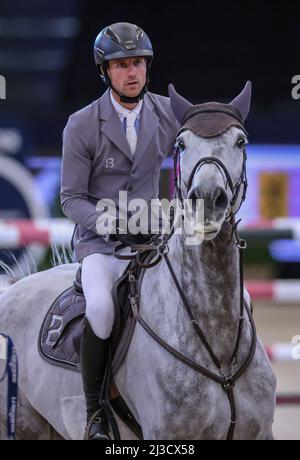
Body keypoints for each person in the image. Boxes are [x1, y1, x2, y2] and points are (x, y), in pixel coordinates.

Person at [60, 22, 178, 439]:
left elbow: (203, 138)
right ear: (105, 71)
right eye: (122, 65)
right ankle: (94, 412)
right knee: (101, 309)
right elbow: (70, 198)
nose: (133, 73)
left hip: (151, 241)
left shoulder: (168, 112)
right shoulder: (82, 123)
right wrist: (106, 221)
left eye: (139, 63)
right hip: (101, 245)